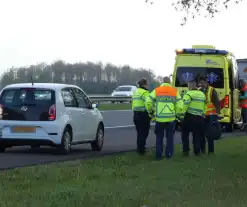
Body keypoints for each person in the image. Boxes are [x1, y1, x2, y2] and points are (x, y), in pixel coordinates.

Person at [145, 76, 183, 160]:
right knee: (170, 138)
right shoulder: (174, 91)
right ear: (169, 82)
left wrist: (151, 111)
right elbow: (180, 105)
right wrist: (176, 113)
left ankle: (159, 155)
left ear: (162, 82)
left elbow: (148, 101)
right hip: (171, 119)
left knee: (159, 137)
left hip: (159, 119)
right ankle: (169, 154)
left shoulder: (157, 90)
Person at [180, 81, 206, 156]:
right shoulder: (202, 95)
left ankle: (186, 151)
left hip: (189, 117)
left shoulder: (188, 94)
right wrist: (203, 115)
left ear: (190, 86)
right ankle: (197, 152)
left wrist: (181, 117)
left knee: (185, 134)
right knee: (197, 135)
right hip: (200, 118)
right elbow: (204, 106)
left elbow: (184, 107)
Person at [198, 77, 220, 154]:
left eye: (202, 83)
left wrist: (217, 113)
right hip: (202, 115)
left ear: (206, 82)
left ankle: (211, 151)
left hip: (211, 115)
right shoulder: (199, 91)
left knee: (210, 134)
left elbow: (217, 103)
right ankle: (202, 150)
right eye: (200, 83)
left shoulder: (211, 90)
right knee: (201, 134)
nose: (201, 85)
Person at [132, 78, 151, 155]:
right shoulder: (145, 93)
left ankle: (139, 148)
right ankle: (141, 150)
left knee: (139, 133)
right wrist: (151, 113)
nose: (148, 85)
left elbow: (133, 104)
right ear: (144, 85)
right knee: (144, 133)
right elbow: (149, 104)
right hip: (143, 115)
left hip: (136, 114)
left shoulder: (136, 92)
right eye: (147, 84)